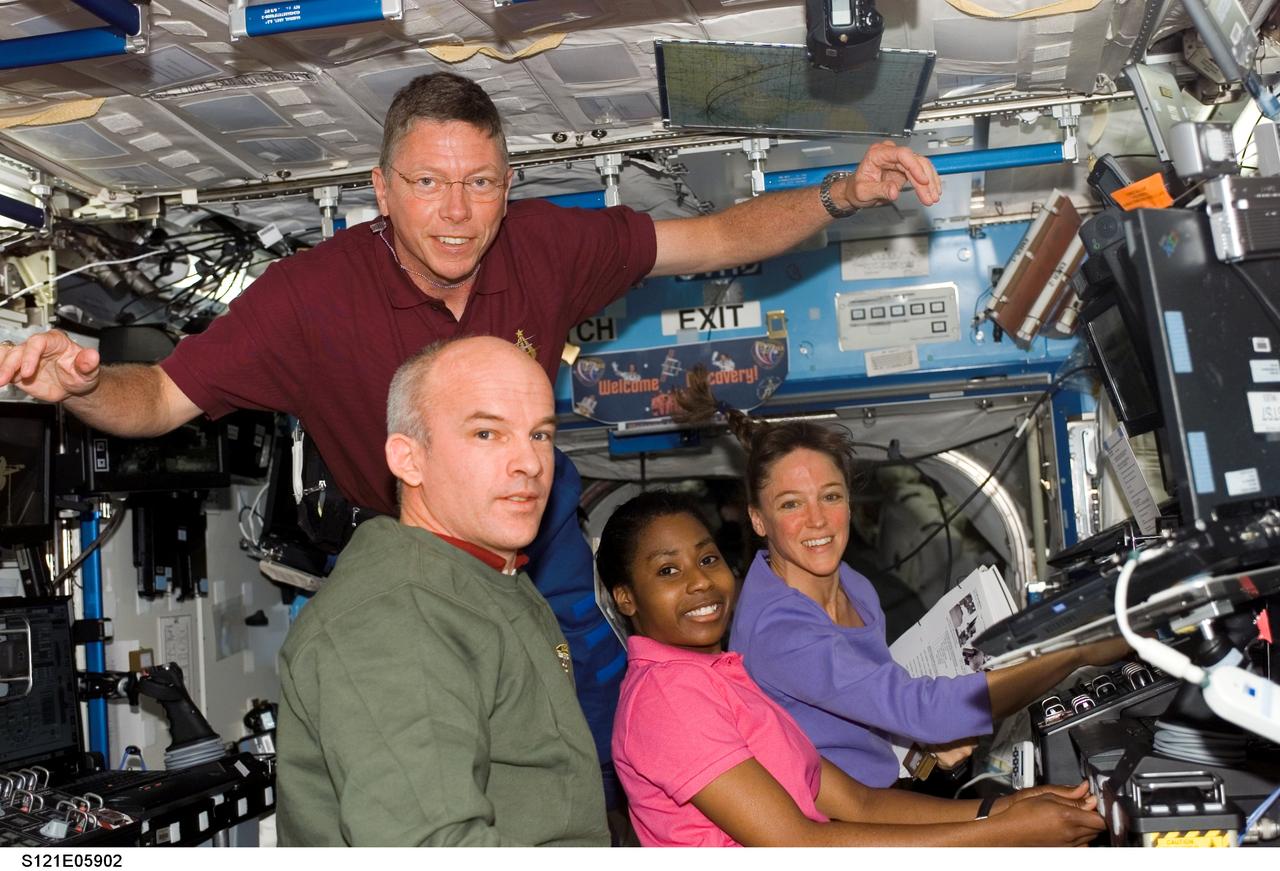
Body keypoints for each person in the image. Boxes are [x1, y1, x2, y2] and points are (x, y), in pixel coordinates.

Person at [0, 72, 942, 776]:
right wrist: (78, 385)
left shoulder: (545, 244)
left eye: (482, 184)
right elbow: (160, 398)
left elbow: (716, 240)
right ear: (381, 187)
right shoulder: (309, 299)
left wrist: (840, 195)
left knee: (605, 703)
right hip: (411, 538)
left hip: (541, 518)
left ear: (507, 181)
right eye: (428, 184)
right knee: (453, 724)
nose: (457, 215)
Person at [672, 369, 1130, 788]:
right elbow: (919, 710)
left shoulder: (853, 583)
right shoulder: (778, 629)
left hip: (885, 787)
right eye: (791, 504)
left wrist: (921, 745)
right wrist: (1076, 652)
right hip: (829, 823)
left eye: (830, 496)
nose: (817, 521)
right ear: (757, 520)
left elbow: (875, 701)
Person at [597, 489, 1105, 847]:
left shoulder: (724, 676)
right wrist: (1006, 836)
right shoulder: (668, 698)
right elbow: (796, 846)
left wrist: (1000, 810)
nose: (700, 583)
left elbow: (859, 803)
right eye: (668, 571)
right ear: (626, 597)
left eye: (707, 560)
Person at [276, 335, 607, 846]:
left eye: (540, 435)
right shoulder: (396, 618)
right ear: (409, 459)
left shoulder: (485, 577)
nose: (531, 463)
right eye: (486, 433)